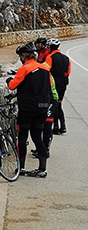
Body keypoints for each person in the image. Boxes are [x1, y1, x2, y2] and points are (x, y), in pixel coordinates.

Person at [7, 42, 53, 178]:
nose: (20, 59)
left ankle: (21, 168)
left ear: (25, 56)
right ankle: (42, 169)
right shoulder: (45, 69)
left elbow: (12, 86)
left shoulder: (25, 69)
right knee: (37, 137)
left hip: (27, 108)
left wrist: (9, 79)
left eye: (21, 56)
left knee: (22, 137)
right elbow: (50, 86)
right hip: (42, 107)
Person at [47, 38, 71, 134]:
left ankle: (56, 127)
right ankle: (63, 126)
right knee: (59, 104)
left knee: (54, 105)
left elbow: (46, 70)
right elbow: (68, 72)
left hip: (54, 84)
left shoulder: (50, 57)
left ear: (50, 48)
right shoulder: (66, 58)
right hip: (63, 84)